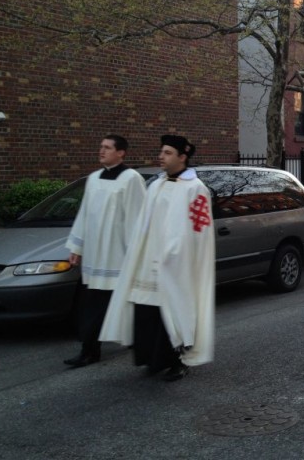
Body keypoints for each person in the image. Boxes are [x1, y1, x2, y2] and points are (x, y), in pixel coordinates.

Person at [100, 134, 215, 381]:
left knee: (173, 312)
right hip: (149, 261)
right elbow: (143, 224)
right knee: (147, 310)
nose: (161, 157)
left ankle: (178, 361)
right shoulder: (156, 185)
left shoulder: (195, 189)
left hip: (177, 263)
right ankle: (152, 358)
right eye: (161, 152)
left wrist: (176, 252)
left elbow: (199, 230)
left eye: (167, 153)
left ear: (182, 157)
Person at [63, 135, 146, 368]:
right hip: (96, 255)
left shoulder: (132, 179)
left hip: (119, 256)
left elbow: (137, 219)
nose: (101, 151)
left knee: (129, 306)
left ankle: (144, 350)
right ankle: (89, 350)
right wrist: (76, 247)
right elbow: (84, 214)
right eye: (100, 147)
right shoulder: (93, 178)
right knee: (92, 307)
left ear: (121, 153)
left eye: (107, 148)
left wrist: (136, 255)